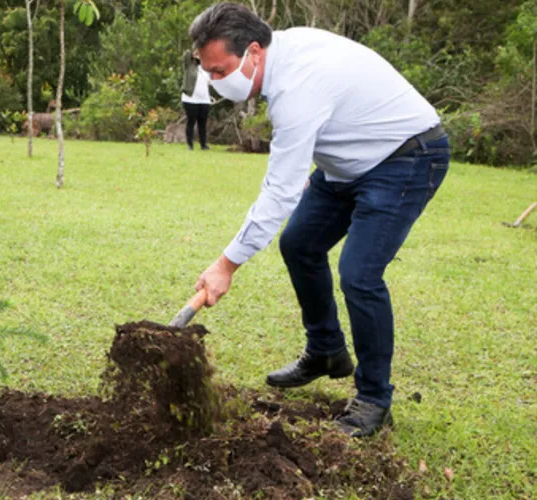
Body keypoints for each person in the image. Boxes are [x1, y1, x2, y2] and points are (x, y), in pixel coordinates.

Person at [188, 3, 450, 437]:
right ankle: (327, 350)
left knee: (359, 274)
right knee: (300, 243)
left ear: (254, 51)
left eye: (220, 71)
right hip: (345, 165)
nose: (215, 83)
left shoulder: (297, 88)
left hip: (407, 157)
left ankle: (373, 400)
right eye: (208, 73)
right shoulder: (283, 53)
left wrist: (226, 265)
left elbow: (280, 191)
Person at [181, 49, 212, 150]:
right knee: (191, 122)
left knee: (202, 123)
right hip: (190, 99)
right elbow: (186, 54)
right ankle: (190, 145)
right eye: (197, 54)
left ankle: (203, 145)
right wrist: (195, 51)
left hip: (204, 99)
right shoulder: (189, 65)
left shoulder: (206, 68)